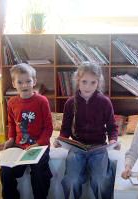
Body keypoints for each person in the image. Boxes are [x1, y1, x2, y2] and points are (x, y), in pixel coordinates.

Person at [53, 62, 120, 199]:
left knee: (101, 180)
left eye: (92, 83)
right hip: (77, 147)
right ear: (78, 80)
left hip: (99, 147)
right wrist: (60, 139)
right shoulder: (70, 103)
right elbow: (65, 128)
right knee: (72, 180)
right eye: (84, 82)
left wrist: (113, 140)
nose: (88, 86)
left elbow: (112, 127)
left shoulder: (104, 102)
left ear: (98, 82)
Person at [0, 63, 53, 199]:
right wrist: (10, 140)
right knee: (5, 170)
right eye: (20, 82)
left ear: (34, 81)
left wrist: (39, 143)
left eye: (28, 81)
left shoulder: (42, 101)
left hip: (39, 146)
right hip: (19, 146)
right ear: (14, 83)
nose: (24, 85)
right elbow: (11, 124)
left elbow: (48, 127)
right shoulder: (11, 102)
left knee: (40, 172)